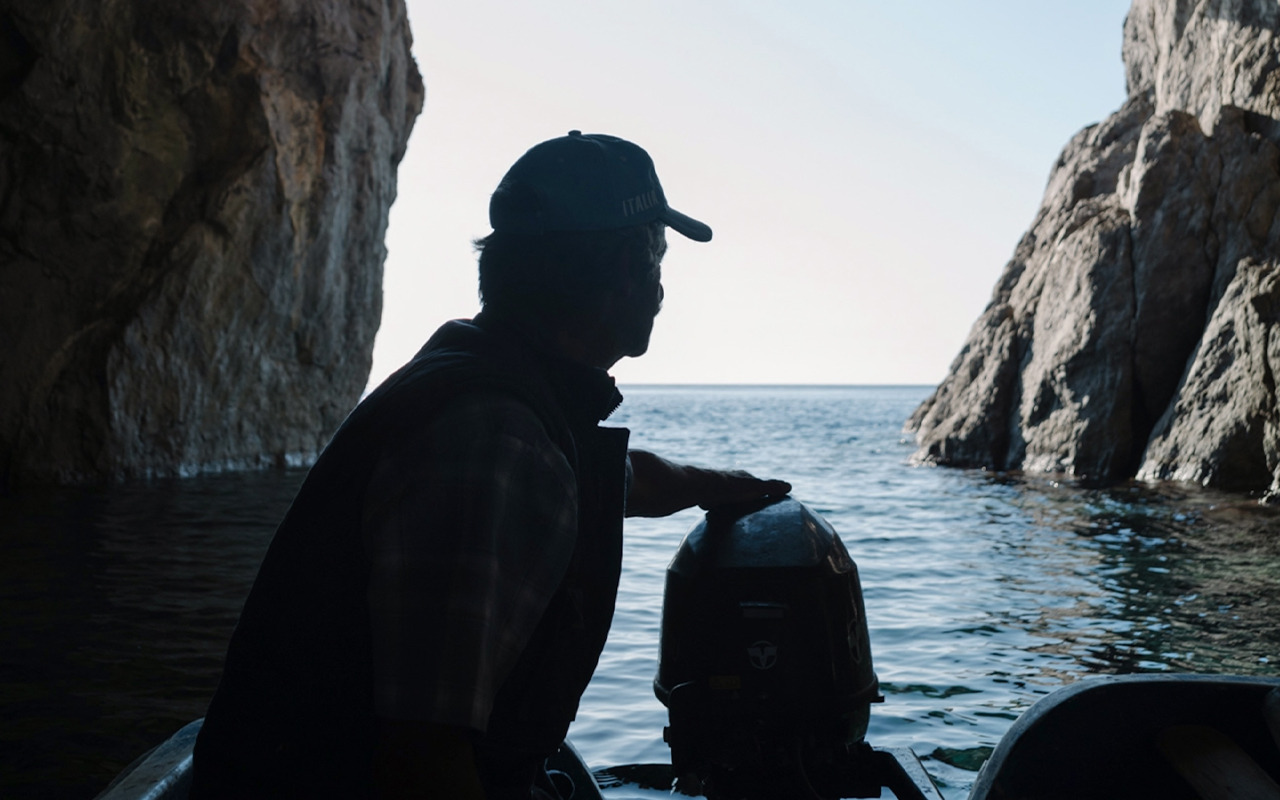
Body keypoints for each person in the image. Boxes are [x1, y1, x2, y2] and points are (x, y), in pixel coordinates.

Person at [189, 131, 790, 800]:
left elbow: (611, 482)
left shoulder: (490, 394)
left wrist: (717, 487)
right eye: (658, 258)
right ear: (626, 265)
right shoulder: (494, 442)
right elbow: (424, 761)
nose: (660, 286)